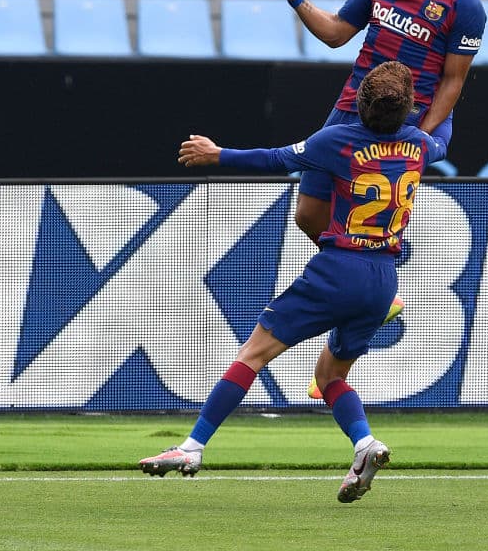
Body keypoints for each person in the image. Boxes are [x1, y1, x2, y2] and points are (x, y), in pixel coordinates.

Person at [139, 61, 446, 504]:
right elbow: (442, 138)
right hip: (383, 279)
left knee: (254, 353)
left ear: (360, 105)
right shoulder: (419, 145)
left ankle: (191, 448)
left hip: (338, 267)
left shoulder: (336, 141)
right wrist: (449, 95)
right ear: (408, 109)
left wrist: (217, 154)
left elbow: (276, 158)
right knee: (330, 375)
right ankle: (364, 445)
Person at [279, 0, 485, 397]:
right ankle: (378, 293)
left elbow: (453, 82)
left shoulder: (466, 6)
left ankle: (344, 344)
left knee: (369, 224)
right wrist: (299, 1)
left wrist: (422, 137)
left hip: (405, 123)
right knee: (309, 214)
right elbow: (335, 35)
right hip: (351, 110)